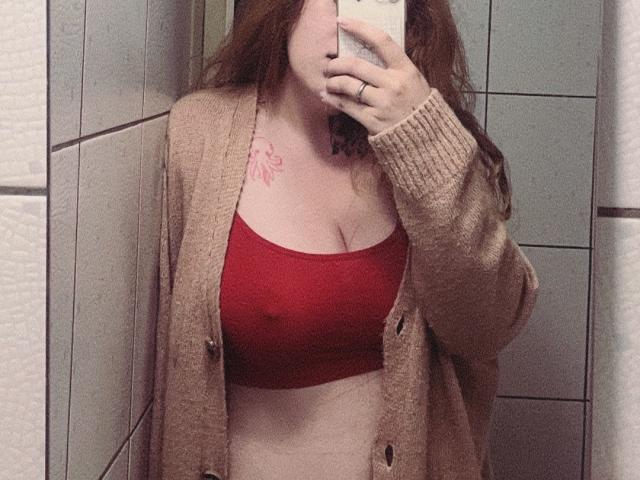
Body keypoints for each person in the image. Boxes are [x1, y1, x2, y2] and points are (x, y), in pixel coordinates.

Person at [147, 0, 540, 479]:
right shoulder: (201, 135)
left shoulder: (430, 137)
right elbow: (176, 372)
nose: (350, 21)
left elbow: (488, 327)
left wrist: (422, 134)